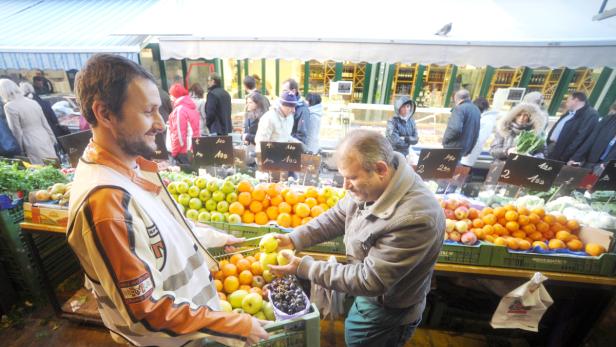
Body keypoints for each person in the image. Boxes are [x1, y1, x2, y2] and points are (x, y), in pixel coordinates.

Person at [66, 53, 267, 347]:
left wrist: (211, 237)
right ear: (105, 114)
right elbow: (145, 310)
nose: (161, 123)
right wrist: (235, 324)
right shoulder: (105, 201)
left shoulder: (131, 169)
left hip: (190, 334)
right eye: (149, 111)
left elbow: (160, 234)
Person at [269, 129, 444, 347]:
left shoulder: (415, 218)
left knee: (361, 341)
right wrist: (295, 239)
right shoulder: (374, 187)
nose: (345, 186)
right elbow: (338, 215)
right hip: (369, 298)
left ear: (380, 169)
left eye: (351, 177)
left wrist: (304, 267)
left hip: (387, 313)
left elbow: (370, 279)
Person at [0, 79, 57, 164]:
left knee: (40, 171)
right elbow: (45, 123)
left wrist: (20, 150)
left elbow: (16, 131)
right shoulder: (33, 102)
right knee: (54, 166)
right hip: (45, 137)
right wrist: (52, 138)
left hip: (30, 141)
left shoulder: (9, 106)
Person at [546, 91, 599, 163]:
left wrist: (566, 155)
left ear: (576, 100)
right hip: (553, 147)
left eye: (568, 100)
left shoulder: (590, 115)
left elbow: (580, 137)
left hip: (563, 154)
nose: (566, 103)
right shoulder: (570, 112)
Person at [568, 102, 616, 170]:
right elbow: (591, 140)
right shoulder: (608, 119)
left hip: (609, 168)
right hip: (591, 162)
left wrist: (607, 164)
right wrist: (576, 157)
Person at [460, 97, 499, 167]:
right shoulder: (485, 119)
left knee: (461, 173)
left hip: (469, 154)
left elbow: (479, 139)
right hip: (468, 153)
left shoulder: (486, 121)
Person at [167, 83, 200, 166]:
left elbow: (179, 135)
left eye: (170, 94)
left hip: (183, 151)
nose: (170, 97)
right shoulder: (191, 107)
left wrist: (174, 152)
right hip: (193, 148)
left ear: (174, 95)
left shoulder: (180, 110)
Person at [442, 89, 481, 158]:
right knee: (456, 167)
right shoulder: (476, 109)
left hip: (452, 148)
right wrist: (470, 148)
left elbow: (455, 129)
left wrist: (445, 141)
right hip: (465, 148)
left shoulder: (459, 109)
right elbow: (476, 131)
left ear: (456, 98)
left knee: (447, 167)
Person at [281, 79, 309, 147]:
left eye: (284, 91)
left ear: (293, 91)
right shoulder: (283, 105)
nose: (282, 93)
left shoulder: (302, 109)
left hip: (291, 149)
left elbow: (301, 136)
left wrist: (287, 143)